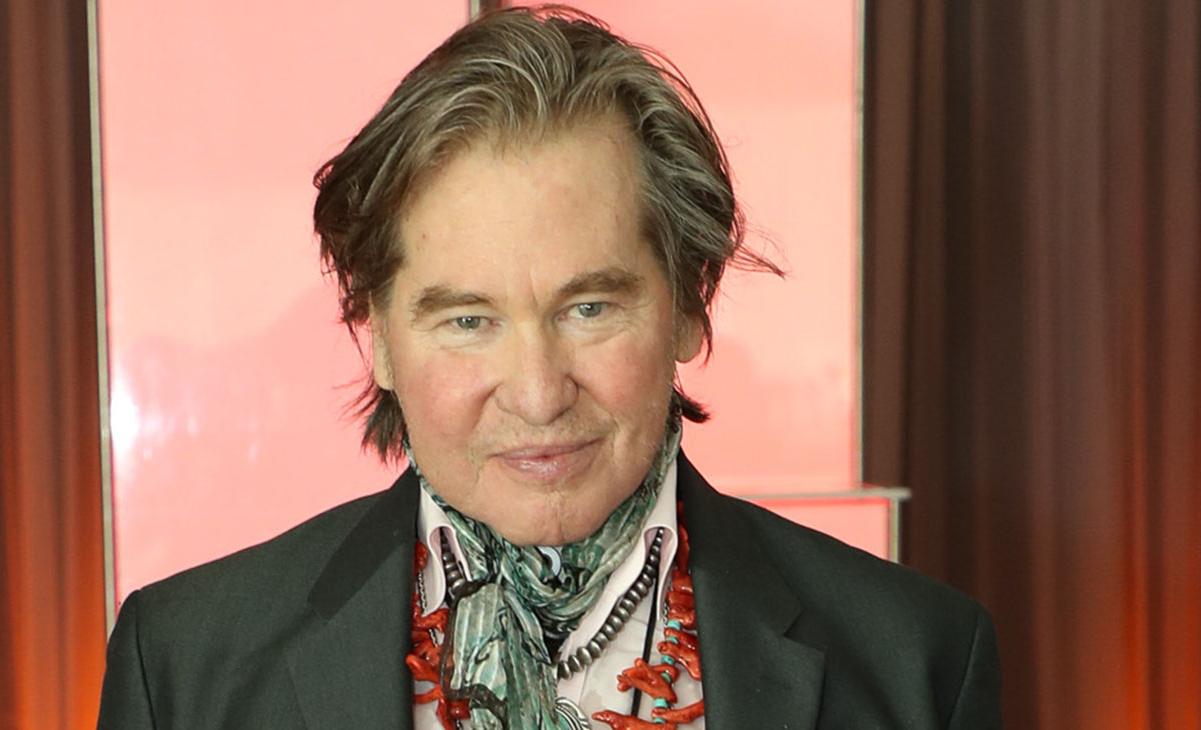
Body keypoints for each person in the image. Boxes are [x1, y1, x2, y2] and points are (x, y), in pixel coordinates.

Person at [97, 7, 1001, 729]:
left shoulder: (918, 662)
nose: (537, 394)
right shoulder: (182, 666)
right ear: (376, 337)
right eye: (468, 320)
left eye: (590, 308)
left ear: (690, 304)